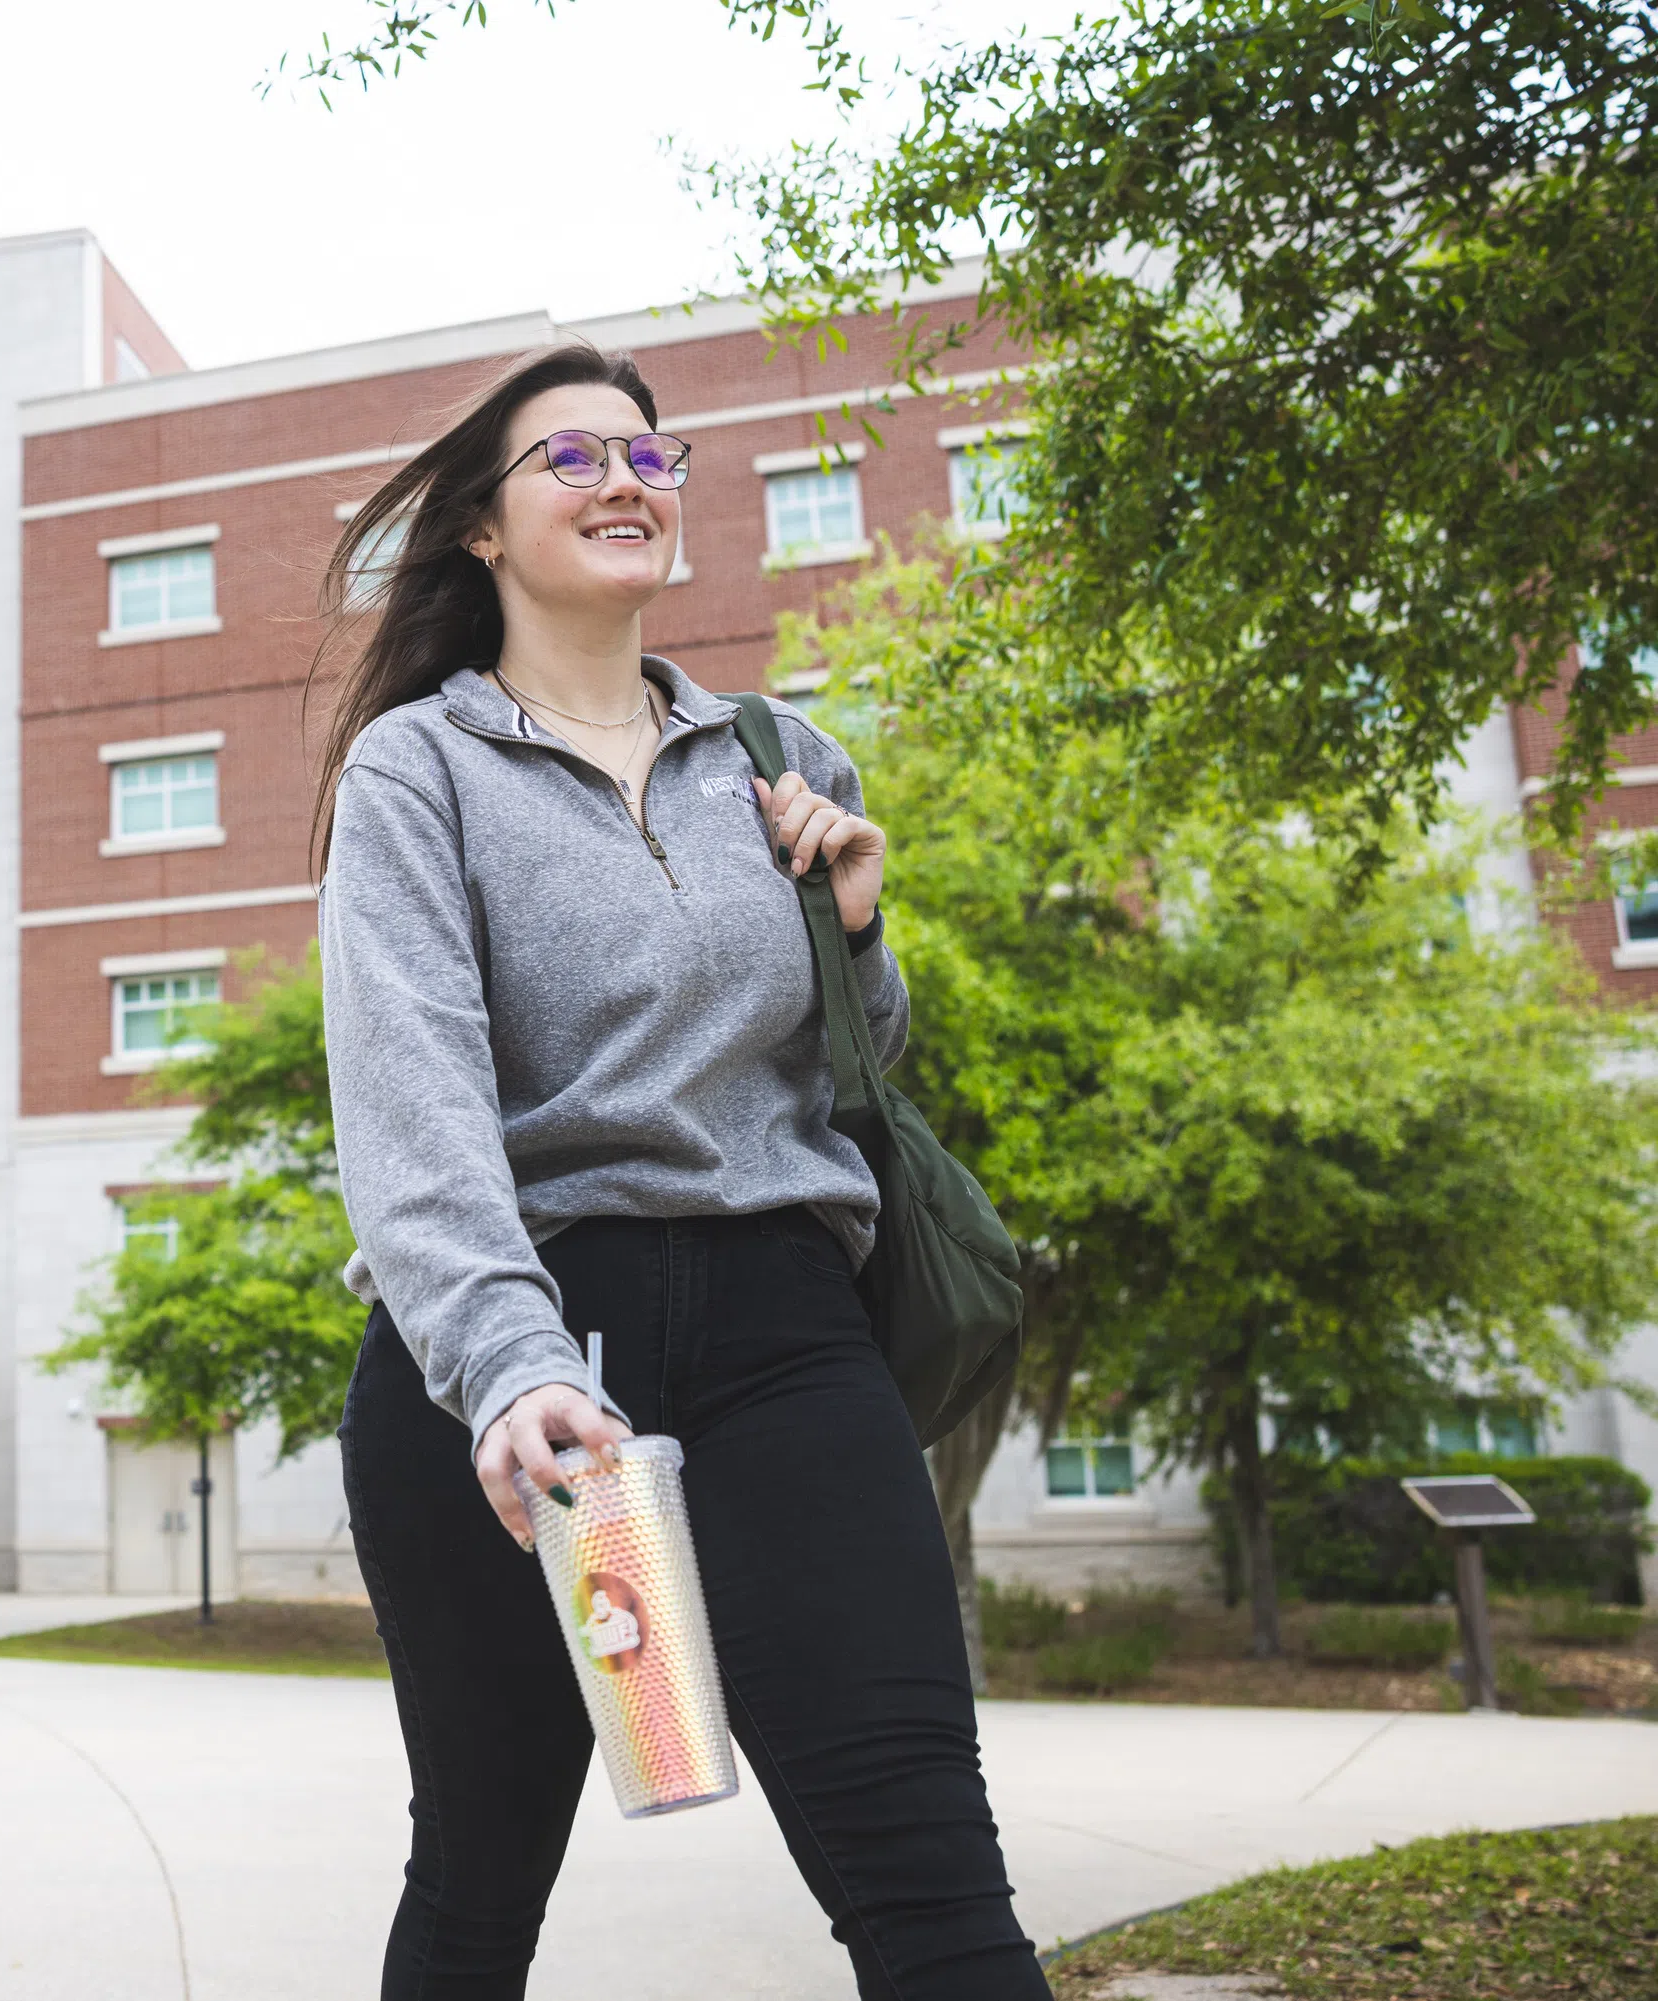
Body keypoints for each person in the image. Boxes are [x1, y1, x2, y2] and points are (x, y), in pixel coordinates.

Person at [315, 342, 1050, 2001]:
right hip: (517, 1357)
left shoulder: (782, 757)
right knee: (482, 1876)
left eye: (653, 459)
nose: (625, 481)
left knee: (930, 1866)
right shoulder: (418, 770)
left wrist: (857, 930)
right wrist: (505, 1368)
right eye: (572, 459)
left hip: (788, 1333)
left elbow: (849, 1069)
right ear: (484, 533)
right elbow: (411, 1099)